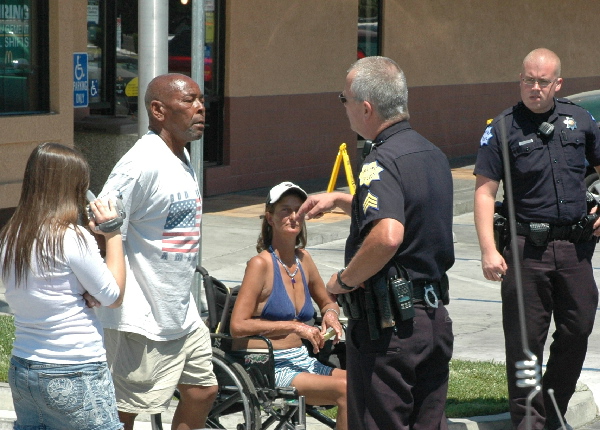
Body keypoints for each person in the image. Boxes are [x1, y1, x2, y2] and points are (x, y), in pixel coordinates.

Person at [296, 56, 455, 430]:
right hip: (432, 321)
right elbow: (408, 211)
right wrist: (340, 200)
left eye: (344, 99)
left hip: (390, 330)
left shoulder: (378, 162)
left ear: (366, 108)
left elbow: (388, 235)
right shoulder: (431, 154)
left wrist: (343, 281)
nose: (344, 108)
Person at [474, 48, 600, 430]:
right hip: (526, 251)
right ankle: (528, 421)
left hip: (575, 249)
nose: (534, 87)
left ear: (557, 83)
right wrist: (487, 250)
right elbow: (483, 191)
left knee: (579, 326)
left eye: (542, 81)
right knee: (526, 345)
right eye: (528, 79)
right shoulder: (502, 127)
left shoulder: (580, 120)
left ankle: (551, 406)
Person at [95, 73, 218, 430]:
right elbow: (99, 223)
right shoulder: (141, 163)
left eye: (201, 100)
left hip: (181, 311)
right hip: (142, 316)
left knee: (203, 390)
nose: (200, 108)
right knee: (125, 410)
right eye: (189, 101)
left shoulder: (180, 157)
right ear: (158, 110)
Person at [0, 142, 126, 430]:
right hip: (73, 367)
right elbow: (113, 296)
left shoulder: (11, 236)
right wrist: (113, 232)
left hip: (24, 367)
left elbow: (45, 287)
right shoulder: (72, 237)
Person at [230, 181, 348, 430]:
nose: (294, 216)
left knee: (365, 385)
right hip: (270, 366)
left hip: (303, 360)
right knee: (347, 390)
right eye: (285, 210)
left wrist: (331, 315)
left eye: (299, 210)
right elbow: (238, 326)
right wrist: (296, 328)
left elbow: (327, 300)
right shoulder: (260, 265)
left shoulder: (303, 259)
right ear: (270, 218)